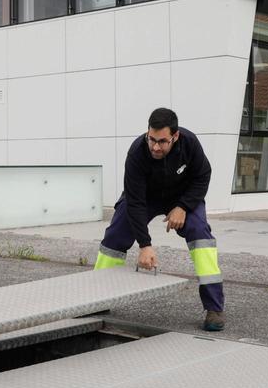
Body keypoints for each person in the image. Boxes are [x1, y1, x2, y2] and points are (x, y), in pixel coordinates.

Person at [93, 107, 225, 331]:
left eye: (162, 141)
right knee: (117, 233)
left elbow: (203, 175)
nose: (155, 146)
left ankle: (214, 308)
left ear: (175, 136)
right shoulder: (136, 152)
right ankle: (96, 296)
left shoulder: (190, 143)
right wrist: (145, 245)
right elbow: (134, 202)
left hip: (183, 197)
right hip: (146, 198)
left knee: (200, 233)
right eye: (151, 139)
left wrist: (183, 207)